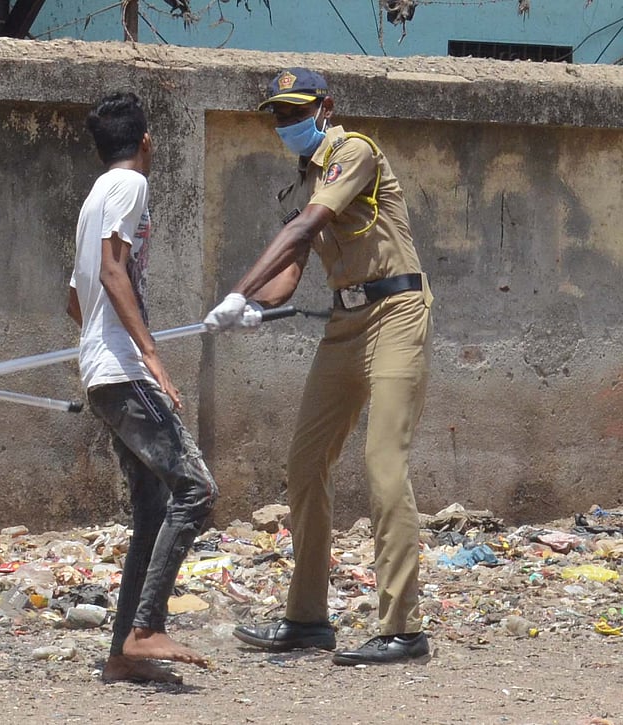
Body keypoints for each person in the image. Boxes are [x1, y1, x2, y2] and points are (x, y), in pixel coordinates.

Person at [205, 68, 433, 665]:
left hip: (396, 313)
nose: (286, 123)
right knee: (305, 464)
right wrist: (252, 307)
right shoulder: (303, 181)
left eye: (295, 111)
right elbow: (292, 267)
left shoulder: (353, 151)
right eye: (278, 114)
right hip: (344, 322)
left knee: (384, 464)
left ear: (325, 106)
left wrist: (236, 289)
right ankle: (307, 618)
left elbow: (309, 225)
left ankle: (403, 629)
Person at [67, 92, 218, 683]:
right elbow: (111, 271)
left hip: (102, 371)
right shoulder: (130, 186)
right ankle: (147, 626)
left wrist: (107, 342)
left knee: (153, 510)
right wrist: (151, 356)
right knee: (196, 490)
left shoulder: (93, 198)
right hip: (124, 370)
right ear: (146, 141)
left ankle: (122, 655)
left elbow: (75, 300)